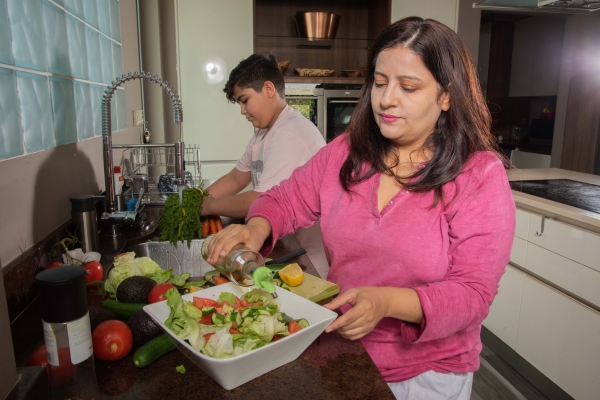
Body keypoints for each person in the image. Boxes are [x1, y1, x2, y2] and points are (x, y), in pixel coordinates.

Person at [204, 17, 516, 399]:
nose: (387, 99)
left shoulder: (479, 175)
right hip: (342, 350)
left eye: (409, 86)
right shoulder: (346, 153)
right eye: (381, 83)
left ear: (447, 95)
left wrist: (385, 301)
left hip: (427, 375)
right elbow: (286, 199)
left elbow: (472, 295)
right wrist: (256, 228)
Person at [201, 53, 330, 278]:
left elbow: (262, 198)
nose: (242, 111)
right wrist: (198, 201)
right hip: (283, 246)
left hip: (306, 262)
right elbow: (236, 178)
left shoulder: (289, 133)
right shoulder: (263, 134)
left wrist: (210, 206)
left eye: (244, 100)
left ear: (268, 90)